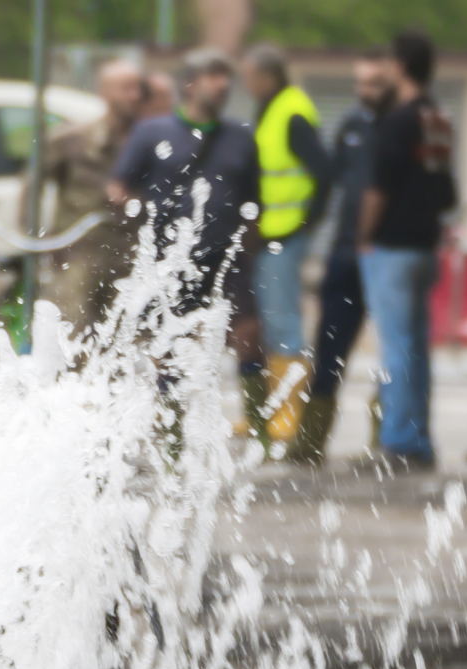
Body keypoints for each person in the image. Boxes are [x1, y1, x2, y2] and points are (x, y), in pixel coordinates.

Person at [357, 30, 455, 468]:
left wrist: (364, 234)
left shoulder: (396, 121)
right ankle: (420, 439)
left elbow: (379, 187)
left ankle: (398, 441)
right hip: (425, 247)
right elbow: (446, 190)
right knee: (417, 348)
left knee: (396, 348)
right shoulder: (436, 117)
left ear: (399, 67)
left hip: (393, 247)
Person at [110, 49, 261, 325]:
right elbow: (119, 189)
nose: (223, 85)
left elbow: (253, 202)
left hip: (227, 257)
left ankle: (246, 369)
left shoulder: (242, 137)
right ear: (189, 84)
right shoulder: (152, 132)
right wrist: (138, 218)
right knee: (171, 341)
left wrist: (249, 252)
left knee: (247, 333)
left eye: (226, 78)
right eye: (213, 77)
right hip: (169, 256)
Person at [293, 52, 393, 463]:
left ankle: (385, 440)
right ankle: (310, 441)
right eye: (359, 83)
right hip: (343, 253)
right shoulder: (352, 124)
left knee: (392, 354)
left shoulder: (400, 126)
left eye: (373, 84)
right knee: (329, 345)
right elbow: (332, 178)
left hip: (385, 254)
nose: (364, 92)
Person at [242, 46, 331, 447]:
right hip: (270, 232)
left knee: (284, 325)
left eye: (251, 76)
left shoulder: (291, 112)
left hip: (286, 233)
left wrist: (307, 225)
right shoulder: (272, 108)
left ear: (268, 76)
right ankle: (270, 410)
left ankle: (287, 415)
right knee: (270, 323)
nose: (247, 83)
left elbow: (324, 173)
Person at [38, 59, 144, 330]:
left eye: (137, 88)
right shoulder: (72, 139)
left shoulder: (150, 142)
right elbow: (32, 186)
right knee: (71, 332)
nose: (134, 95)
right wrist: (38, 240)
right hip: (79, 254)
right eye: (125, 88)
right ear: (104, 91)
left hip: (131, 255)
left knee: (126, 338)